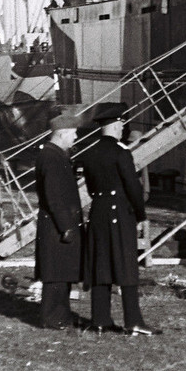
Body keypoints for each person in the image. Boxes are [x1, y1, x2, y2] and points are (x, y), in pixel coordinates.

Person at [76, 102, 155, 335]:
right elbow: (133, 186)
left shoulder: (90, 152)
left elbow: (90, 188)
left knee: (101, 264)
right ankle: (133, 321)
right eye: (121, 124)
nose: (122, 128)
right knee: (126, 265)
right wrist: (141, 215)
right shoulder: (121, 152)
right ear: (114, 125)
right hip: (120, 213)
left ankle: (100, 319)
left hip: (98, 212)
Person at [34, 113, 85, 329]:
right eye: (73, 134)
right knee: (55, 273)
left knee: (62, 271)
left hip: (59, 224)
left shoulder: (55, 155)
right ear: (62, 134)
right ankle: (52, 318)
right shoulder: (52, 157)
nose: (75, 138)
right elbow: (54, 197)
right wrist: (66, 226)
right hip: (57, 225)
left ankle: (61, 315)